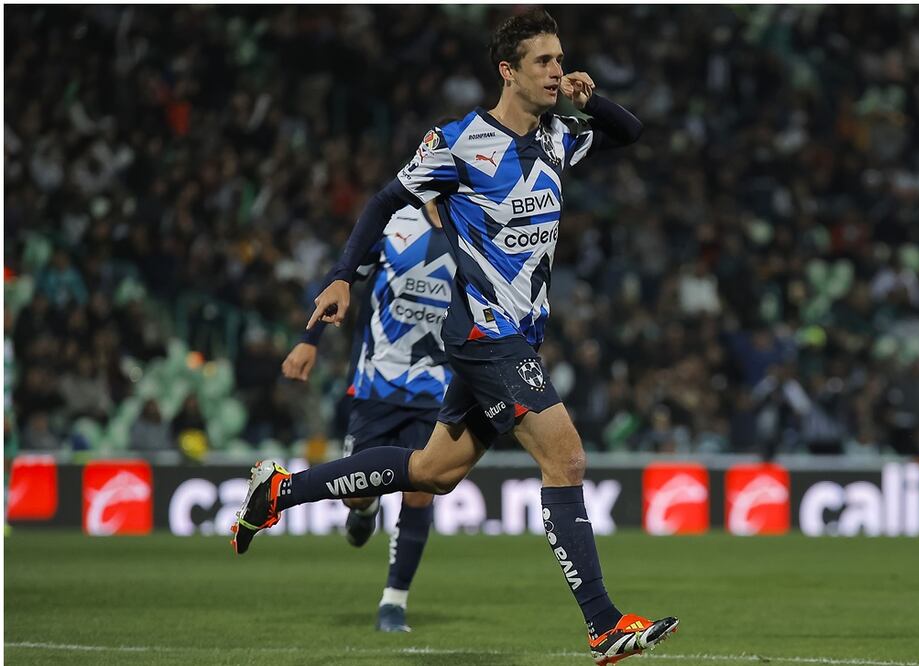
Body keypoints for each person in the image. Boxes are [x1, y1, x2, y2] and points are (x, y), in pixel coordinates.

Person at [232, 10, 677, 663]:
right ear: (507, 71)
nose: (556, 70)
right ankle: (605, 625)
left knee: (431, 472)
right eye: (544, 61)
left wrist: (591, 100)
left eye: (560, 59)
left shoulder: (557, 137)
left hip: (517, 336)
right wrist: (341, 278)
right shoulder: (459, 142)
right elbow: (385, 201)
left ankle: (279, 492)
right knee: (566, 459)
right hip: (484, 333)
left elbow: (630, 132)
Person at [280, 199, 453, 633]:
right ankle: (365, 508)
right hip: (378, 381)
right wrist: (309, 341)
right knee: (356, 495)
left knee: (421, 490)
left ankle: (393, 602)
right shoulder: (396, 223)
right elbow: (343, 278)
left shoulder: (473, 229)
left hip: (437, 386)